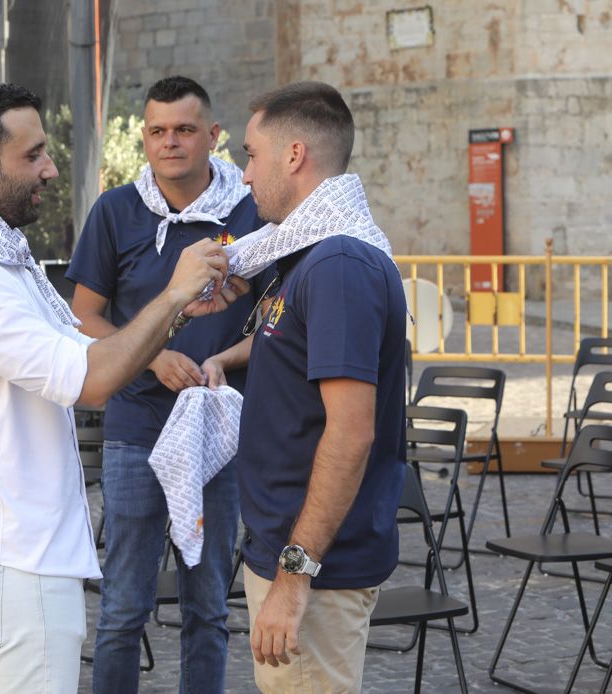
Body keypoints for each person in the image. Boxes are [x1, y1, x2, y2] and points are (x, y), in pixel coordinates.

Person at [0, 81, 247, 693]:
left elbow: (89, 348)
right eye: (32, 155)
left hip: (17, 558)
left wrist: (180, 309)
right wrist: (170, 292)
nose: (51, 169)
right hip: (11, 559)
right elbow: (91, 380)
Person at [66, 75, 263, 693]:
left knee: (208, 608)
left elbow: (282, 322)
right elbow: (83, 314)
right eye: (157, 131)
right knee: (124, 606)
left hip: (221, 430)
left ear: (213, 135)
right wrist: (151, 357)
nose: (170, 142)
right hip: (135, 429)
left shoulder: (252, 211)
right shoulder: (116, 210)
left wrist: (224, 360)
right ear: (145, 138)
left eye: (184, 129)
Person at [234, 81, 407, 692]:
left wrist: (294, 575)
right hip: (289, 550)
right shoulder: (308, 255)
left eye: (251, 155)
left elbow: (352, 430)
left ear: (294, 155)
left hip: (313, 566)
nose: (245, 175)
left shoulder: (337, 263)